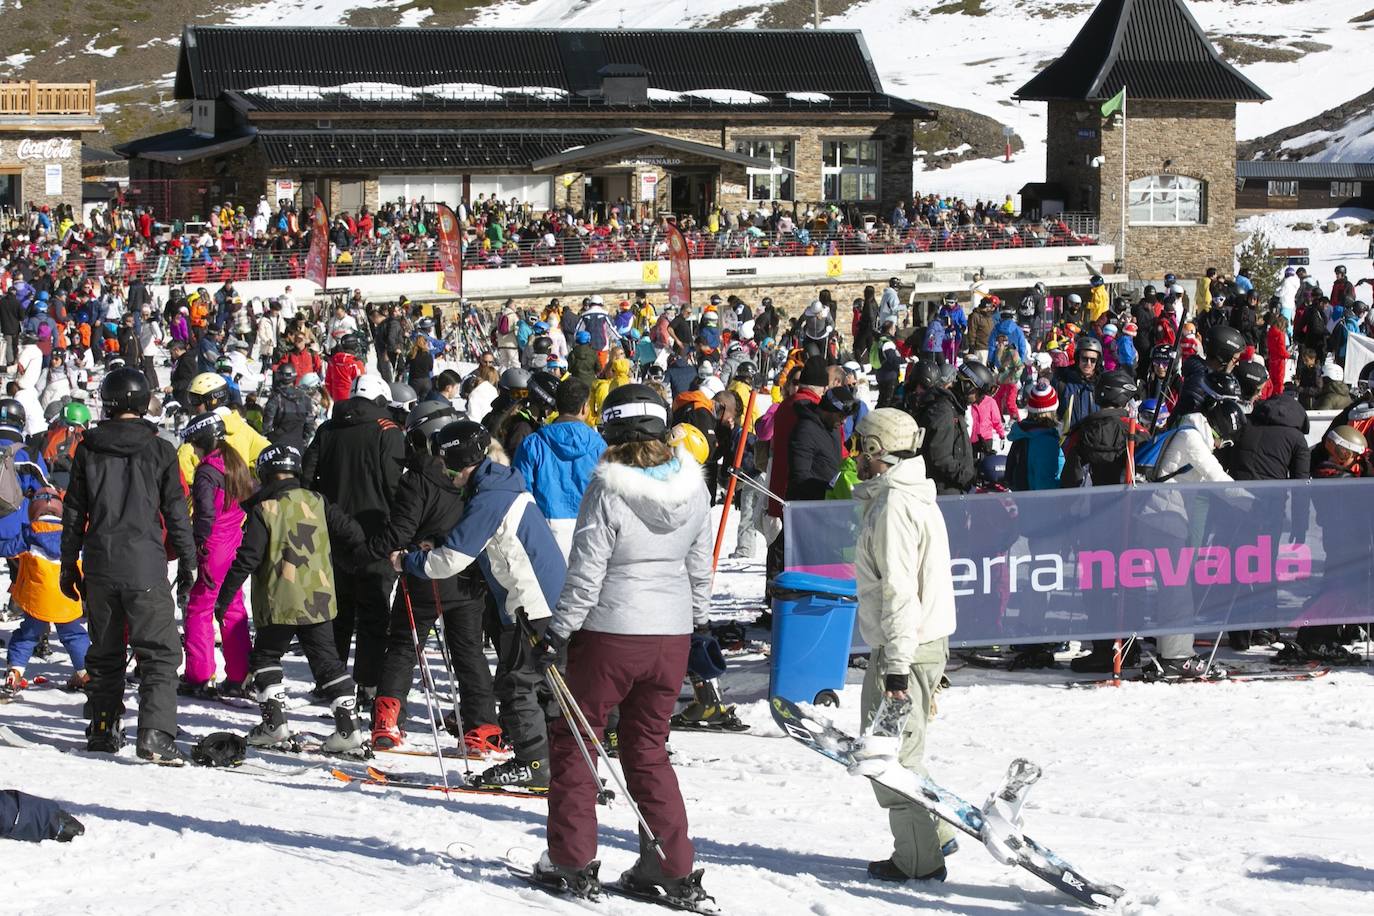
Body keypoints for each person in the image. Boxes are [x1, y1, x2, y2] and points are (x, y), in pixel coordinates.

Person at [530, 383, 714, 906]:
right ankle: (672, 864)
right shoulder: (692, 488)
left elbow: (587, 571)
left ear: (610, 429)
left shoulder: (608, 488)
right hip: (671, 634)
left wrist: (559, 630)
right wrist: (698, 625)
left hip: (611, 632)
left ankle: (570, 858)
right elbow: (699, 568)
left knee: (577, 740)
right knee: (648, 747)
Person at [400, 420, 566, 789]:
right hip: (543, 598)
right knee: (542, 683)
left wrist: (408, 561)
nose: (442, 470)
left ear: (460, 460)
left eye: (445, 462)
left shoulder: (490, 494)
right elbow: (482, 541)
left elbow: (451, 560)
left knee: (517, 683)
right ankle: (557, 757)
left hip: (530, 602)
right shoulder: (498, 483)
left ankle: (534, 763)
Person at [844, 407, 958, 883]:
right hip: (920, 644)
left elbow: (899, 592)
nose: (856, 458)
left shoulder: (894, 506)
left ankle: (918, 860)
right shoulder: (913, 493)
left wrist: (894, 668)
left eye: (861, 448)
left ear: (877, 450)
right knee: (903, 751)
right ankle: (935, 831)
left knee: (888, 757)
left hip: (904, 651)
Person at [60, 368, 196, 763]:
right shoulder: (160, 450)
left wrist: (69, 565)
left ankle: (103, 726)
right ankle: (154, 732)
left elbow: (73, 512)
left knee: (104, 650)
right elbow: (176, 513)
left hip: (101, 563)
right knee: (159, 651)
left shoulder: (89, 447)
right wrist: (188, 560)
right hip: (144, 565)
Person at [214, 444, 370, 753]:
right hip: (319, 596)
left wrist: (225, 597)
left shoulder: (265, 510)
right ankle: (349, 730)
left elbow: (247, 558)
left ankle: (275, 727)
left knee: (265, 659)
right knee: (327, 663)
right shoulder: (318, 501)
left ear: (266, 474)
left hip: (279, 600)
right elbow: (353, 533)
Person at [366, 402, 499, 753]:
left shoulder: (418, 478)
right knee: (469, 651)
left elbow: (400, 530)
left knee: (404, 645)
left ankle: (387, 720)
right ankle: (483, 726)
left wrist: (374, 547)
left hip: (424, 571)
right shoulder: (477, 475)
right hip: (466, 575)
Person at [302, 373, 405, 705]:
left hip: (332, 529)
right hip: (376, 531)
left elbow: (307, 475)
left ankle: (332, 678)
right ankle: (368, 684)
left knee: (337, 610)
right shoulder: (388, 432)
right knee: (374, 613)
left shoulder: (327, 429)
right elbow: (394, 484)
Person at [179, 412, 255, 698]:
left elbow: (205, 514)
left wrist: (197, 545)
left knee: (199, 608)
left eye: (195, 446)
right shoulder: (234, 462)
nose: (194, 451)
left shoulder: (207, 472)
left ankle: (198, 674)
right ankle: (239, 674)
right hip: (234, 544)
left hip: (214, 548)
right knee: (232, 606)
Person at [1, 489, 88, 696]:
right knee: (74, 635)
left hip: (37, 600)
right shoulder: (74, 535)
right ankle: (85, 673)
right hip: (67, 598)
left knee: (27, 636)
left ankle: (15, 672)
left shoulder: (29, 533)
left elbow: (8, 549)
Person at [513, 377, 606, 558]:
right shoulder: (599, 445)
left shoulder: (532, 444)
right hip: (588, 527)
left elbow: (521, 492)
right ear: (584, 408)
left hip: (545, 529)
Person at [913, 360, 983, 495]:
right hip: (944, 492)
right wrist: (967, 477)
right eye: (979, 394)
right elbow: (940, 458)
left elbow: (956, 450)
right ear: (968, 387)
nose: (979, 401)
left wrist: (976, 465)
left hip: (953, 489)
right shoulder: (944, 411)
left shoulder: (954, 409)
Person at [261, 364, 314, 449]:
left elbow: (267, 422)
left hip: (279, 444)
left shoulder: (276, 398)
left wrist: (269, 438)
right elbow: (310, 425)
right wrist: (304, 441)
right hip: (298, 443)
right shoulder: (305, 398)